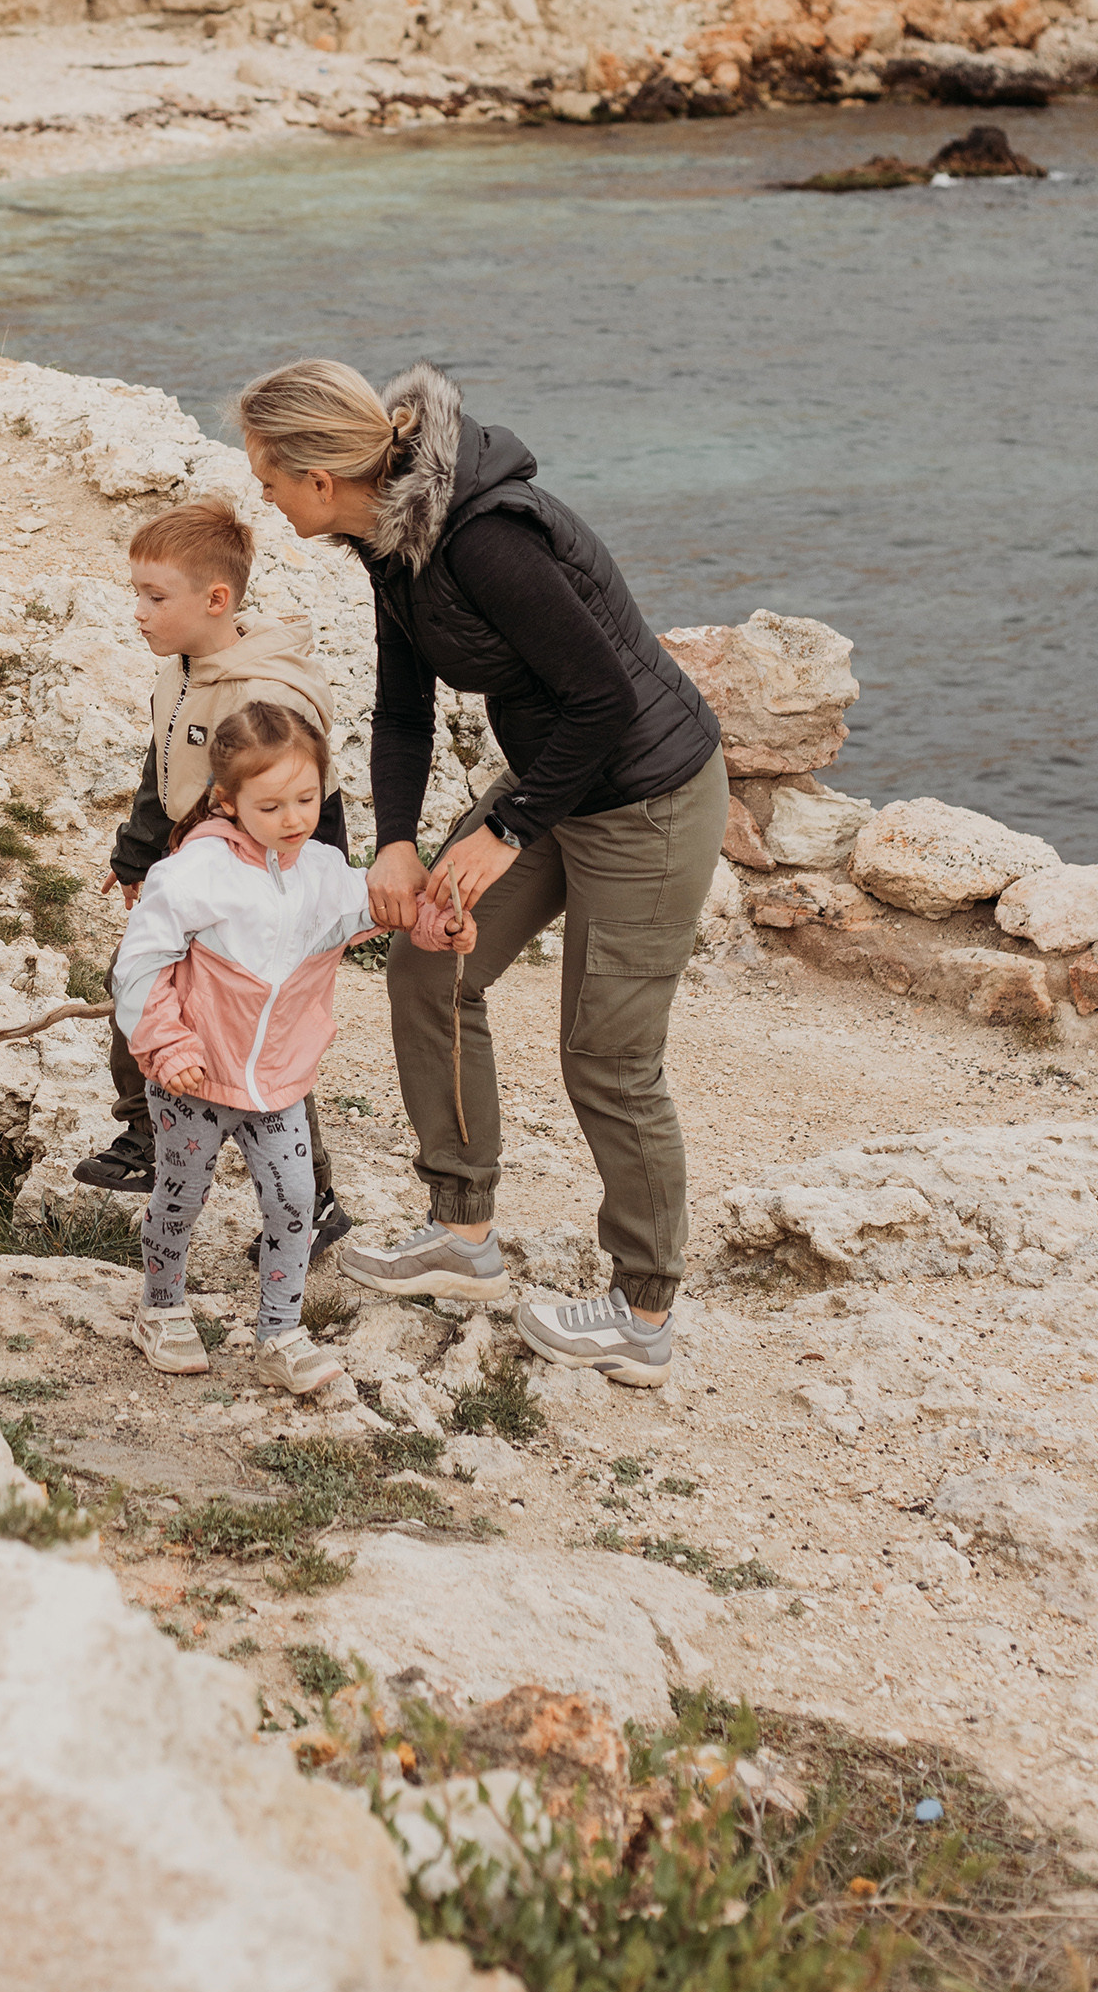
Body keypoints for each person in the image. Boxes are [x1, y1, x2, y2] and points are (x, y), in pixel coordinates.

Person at [236, 358, 728, 1390]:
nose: (264, 498)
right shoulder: (389, 540)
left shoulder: (487, 539)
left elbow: (601, 696)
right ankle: (461, 1235)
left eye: (269, 478)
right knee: (427, 964)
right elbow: (405, 705)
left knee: (605, 1052)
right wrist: (399, 842)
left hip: (646, 796)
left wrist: (500, 829)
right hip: (556, 785)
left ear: (321, 479)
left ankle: (641, 1310)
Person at [72, 497, 352, 1262]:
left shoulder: (267, 696)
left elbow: (312, 807)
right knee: (142, 986)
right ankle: (150, 1134)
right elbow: (163, 765)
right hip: (192, 873)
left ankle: (314, 1198)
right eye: (137, 593)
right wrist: (137, 855)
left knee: (255, 1039)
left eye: (154, 597)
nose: (138, 612)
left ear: (215, 600)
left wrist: (298, 910)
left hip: (253, 893)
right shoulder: (183, 669)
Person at [112, 701, 407, 1389]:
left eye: (307, 799)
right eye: (271, 805)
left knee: (295, 1201)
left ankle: (280, 1330)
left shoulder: (323, 868)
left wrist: (429, 918)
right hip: (194, 1080)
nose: (294, 818)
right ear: (228, 800)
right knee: (181, 1196)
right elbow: (138, 965)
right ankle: (159, 1307)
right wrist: (165, 1044)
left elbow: (370, 908)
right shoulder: (194, 875)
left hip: (279, 1084)